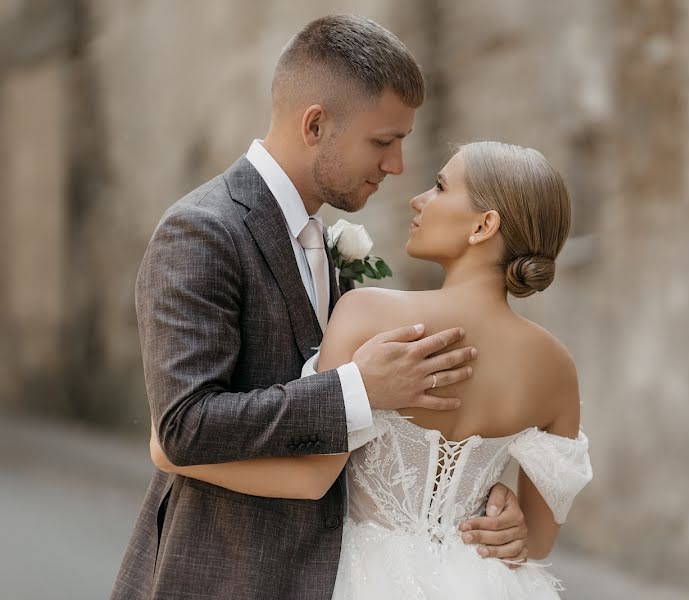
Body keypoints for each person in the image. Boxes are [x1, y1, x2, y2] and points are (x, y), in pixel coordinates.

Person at [112, 15, 528, 600]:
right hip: (223, 579)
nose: (397, 166)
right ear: (315, 125)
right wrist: (357, 389)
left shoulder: (322, 241)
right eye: (383, 141)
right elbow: (185, 425)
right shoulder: (202, 231)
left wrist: (483, 500)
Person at [150, 141, 594, 599]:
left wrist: (175, 453)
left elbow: (310, 477)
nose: (418, 199)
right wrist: (509, 523)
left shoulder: (368, 315)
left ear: (484, 225)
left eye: (440, 187)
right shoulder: (556, 367)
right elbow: (534, 544)